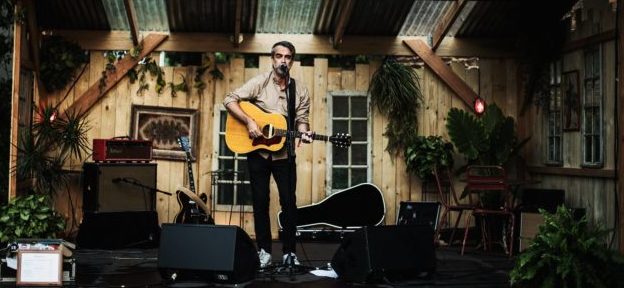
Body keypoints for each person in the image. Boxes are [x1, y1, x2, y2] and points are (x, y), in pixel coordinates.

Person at [223, 41, 313, 268]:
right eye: (279, 56)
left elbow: (301, 120)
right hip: (258, 153)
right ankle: (263, 251)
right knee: (260, 202)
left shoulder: (299, 90)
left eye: (288, 57)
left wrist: (303, 133)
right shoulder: (260, 82)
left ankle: (289, 253)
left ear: (292, 61)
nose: (284, 60)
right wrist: (250, 120)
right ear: (272, 59)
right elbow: (229, 100)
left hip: (285, 155)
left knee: (289, 203)